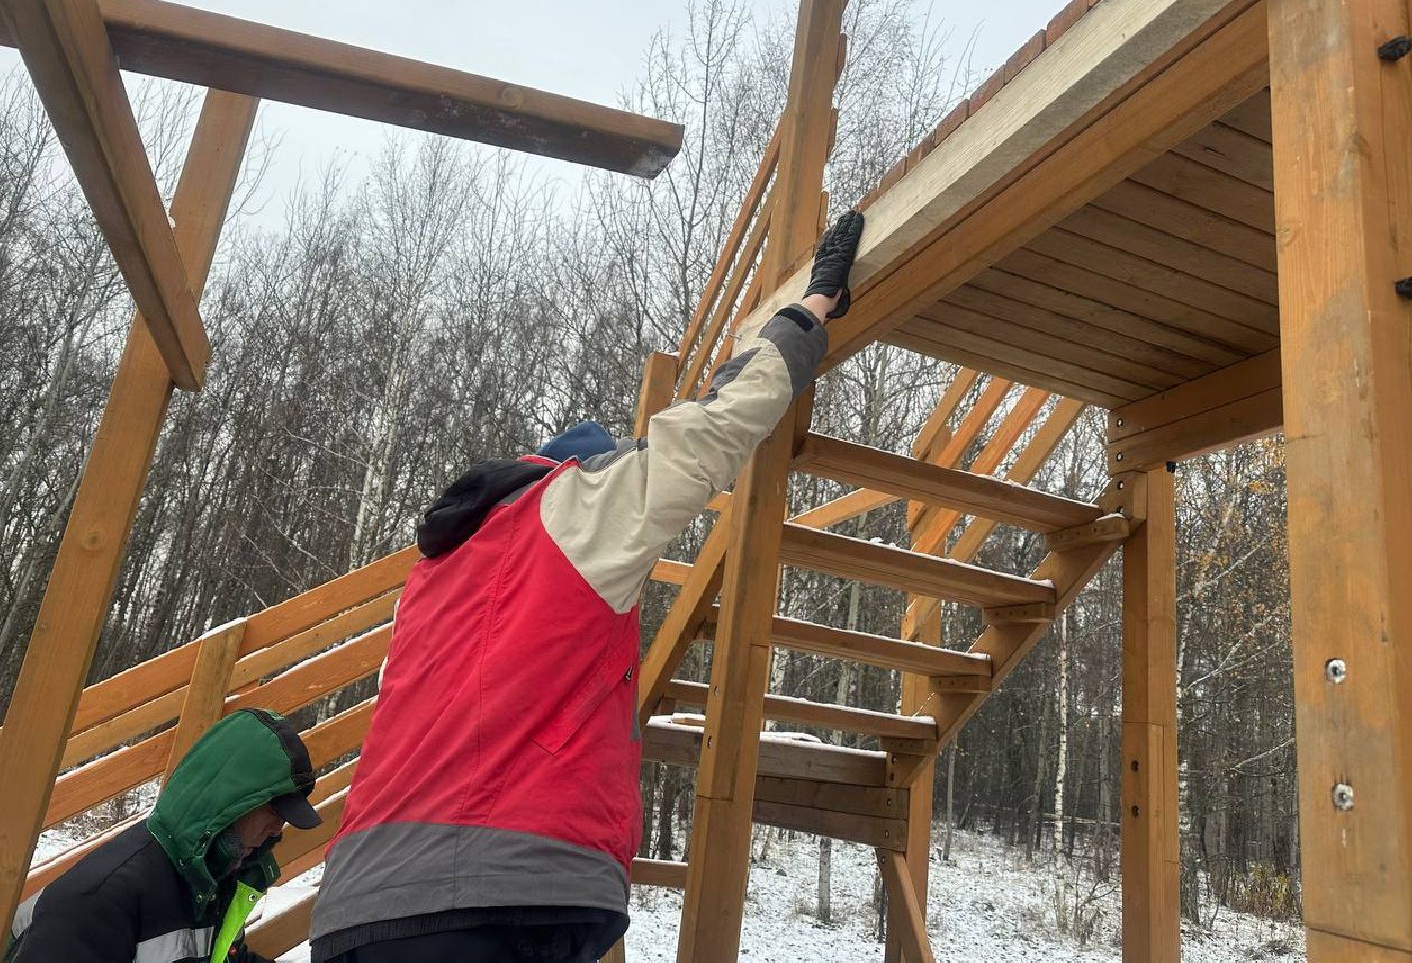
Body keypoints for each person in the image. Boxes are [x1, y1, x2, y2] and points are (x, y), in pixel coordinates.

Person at [308, 211, 866, 963]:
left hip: (357, 905)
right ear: (587, 468)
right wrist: (807, 312)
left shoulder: (434, 573)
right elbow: (713, 429)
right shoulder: (571, 504)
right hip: (494, 894)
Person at [8, 707, 321, 963]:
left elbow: (227, 959)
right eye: (274, 812)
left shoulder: (211, 884)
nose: (277, 829)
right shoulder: (98, 901)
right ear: (230, 803)